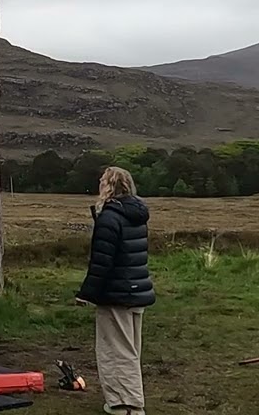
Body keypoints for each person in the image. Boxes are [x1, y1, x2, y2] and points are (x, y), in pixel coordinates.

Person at [75, 166, 155, 415]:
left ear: (109, 186)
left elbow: (102, 262)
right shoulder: (135, 214)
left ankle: (126, 405)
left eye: (102, 181)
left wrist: (86, 293)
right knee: (130, 349)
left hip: (116, 294)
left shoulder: (110, 217)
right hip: (136, 290)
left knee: (115, 351)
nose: (99, 184)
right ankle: (127, 401)